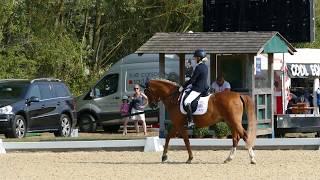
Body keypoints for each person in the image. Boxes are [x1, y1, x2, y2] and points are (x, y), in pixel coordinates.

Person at [179, 49, 209, 127]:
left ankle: (190, 121)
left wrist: (183, 86)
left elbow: (192, 79)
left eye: (195, 57)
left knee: (186, 102)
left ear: (199, 58)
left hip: (198, 89)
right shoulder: (205, 66)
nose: (195, 59)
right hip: (204, 87)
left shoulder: (199, 67)